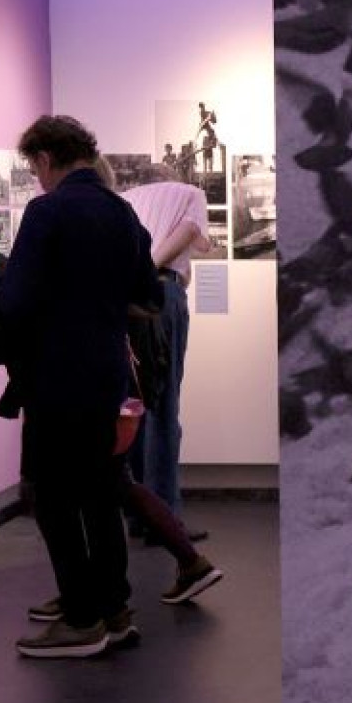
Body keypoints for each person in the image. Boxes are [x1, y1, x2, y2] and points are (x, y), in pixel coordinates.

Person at [0, 117, 160, 659]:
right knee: (103, 494)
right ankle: (115, 610)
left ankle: (81, 619)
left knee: (53, 498)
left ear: (43, 158)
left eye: (33, 166)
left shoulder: (47, 212)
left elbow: (15, 301)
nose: (35, 177)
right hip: (107, 374)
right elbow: (147, 297)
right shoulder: (121, 212)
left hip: (56, 377)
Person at [111, 157, 212, 539]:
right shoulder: (191, 192)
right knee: (164, 405)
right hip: (160, 294)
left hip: (125, 301)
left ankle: (138, 513)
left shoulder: (125, 199)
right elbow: (187, 235)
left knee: (133, 404)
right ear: (171, 178)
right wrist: (149, 274)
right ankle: (164, 519)